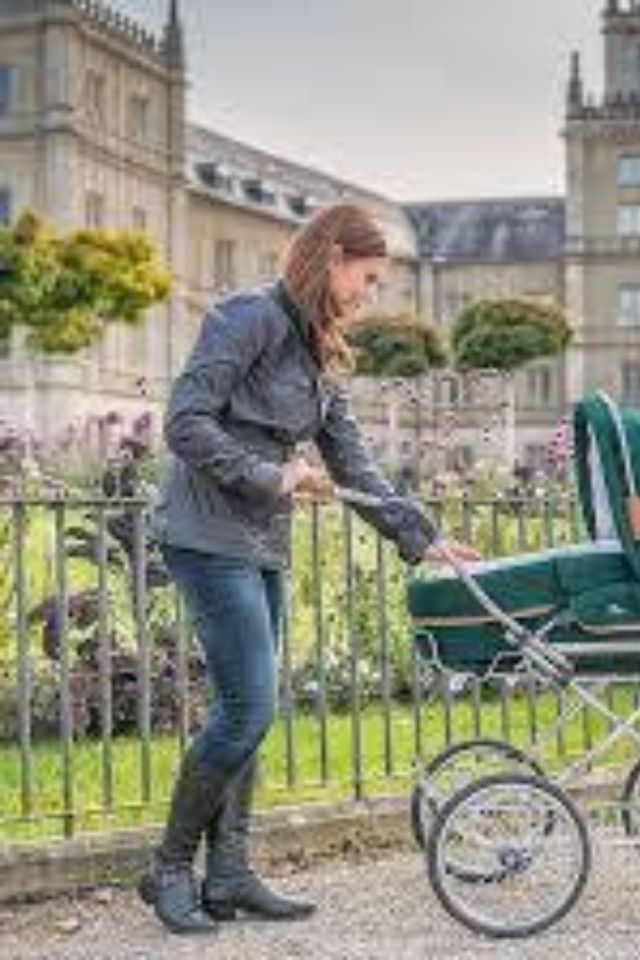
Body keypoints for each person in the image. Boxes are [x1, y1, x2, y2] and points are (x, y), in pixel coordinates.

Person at [141, 204, 480, 935]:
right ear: (332, 258)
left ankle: (227, 874)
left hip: (256, 541)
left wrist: (423, 538)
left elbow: (353, 461)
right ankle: (169, 868)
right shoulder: (248, 318)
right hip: (205, 533)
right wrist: (272, 475)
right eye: (370, 276)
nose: (371, 293)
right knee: (249, 708)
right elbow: (184, 420)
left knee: (248, 712)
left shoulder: (321, 351)